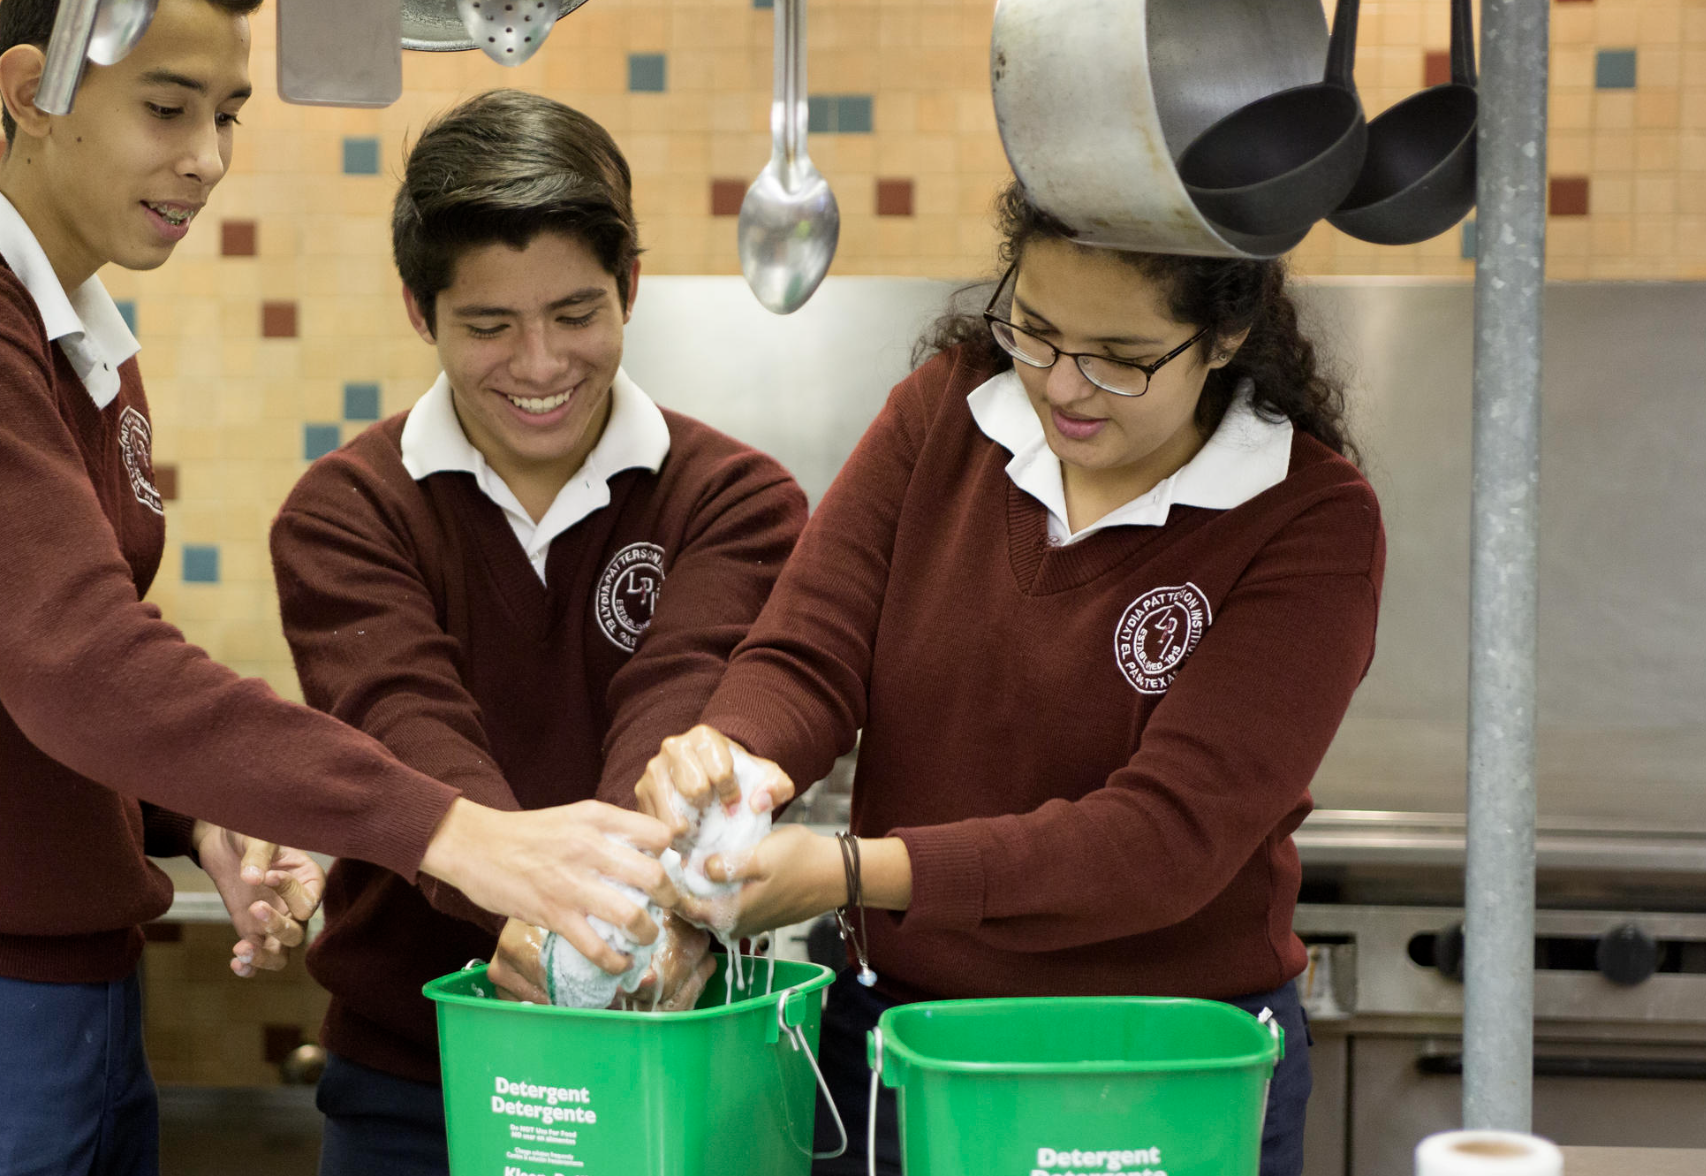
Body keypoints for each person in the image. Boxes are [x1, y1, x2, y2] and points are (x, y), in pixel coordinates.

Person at [0, 7, 677, 1174]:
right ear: (28, 90)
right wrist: (456, 833)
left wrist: (191, 811)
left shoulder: (85, 350)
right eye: (167, 107)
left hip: (74, 982)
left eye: (227, 116)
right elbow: (78, 659)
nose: (207, 158)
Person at [637, 184, 1387, 1176]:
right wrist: (728, 755)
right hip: (904, 1041)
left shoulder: (1306, 519)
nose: (1065, 387)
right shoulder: (948, 410)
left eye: (1119, 359)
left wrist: (856, 870)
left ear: (1223, 335)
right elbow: (810, 652)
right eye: (1033, 331)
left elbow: (1163, 840)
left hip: (1162, 1067)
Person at [266, 89, 808, 1176]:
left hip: (672, 1059)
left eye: (574, 313)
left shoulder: (734, 500)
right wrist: (562, 913)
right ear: (421, 312)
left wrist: (588, 937)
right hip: (411, 1082)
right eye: (487, 325)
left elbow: (679, 716)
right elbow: (408, 727)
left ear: (630, 288)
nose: (539, 363)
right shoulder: (345, 512)